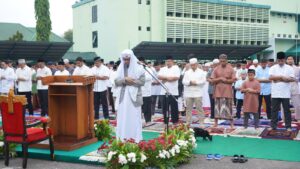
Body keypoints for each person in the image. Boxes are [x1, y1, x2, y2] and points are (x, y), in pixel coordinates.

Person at [115, 49, 145, 143]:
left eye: (128, 59)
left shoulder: (140, 68)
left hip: (134, 98)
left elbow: (142, 82)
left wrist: (131, 81)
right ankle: (123, 137)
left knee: (134, 117)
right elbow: (116, 82)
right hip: (123, 97)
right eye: (124, 59)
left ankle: (135, 138)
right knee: (123, 117)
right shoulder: (120, 68)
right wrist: (124, 79)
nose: (126, 61)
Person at [269, 52, 295, 131]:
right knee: (274, 110)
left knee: (287, 110)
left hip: (285, 93)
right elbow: (270, 77)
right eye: (279, 60)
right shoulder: (273, 68)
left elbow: (292, 79)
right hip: (275, 93)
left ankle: (288, 126)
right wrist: (282, 77)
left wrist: (278, 79)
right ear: (277, 60)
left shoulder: (289, 68)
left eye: (282, 60)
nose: (280, 62)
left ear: (284, 59)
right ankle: (273, 126)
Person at [211, 54, 236, 129]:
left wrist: (227, 80)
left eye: (224, 61)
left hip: (227, 91)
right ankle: (216, 123)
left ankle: (231, 124)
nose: (222, 62)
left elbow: (233, 80)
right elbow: (212, 81)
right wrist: (220, 79)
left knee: (229, 107)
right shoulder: (216, 69)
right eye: (221, 61)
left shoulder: (231, 69)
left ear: (227, 60)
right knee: (217, 108)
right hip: (218, 91)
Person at [182, 58, 206, 127]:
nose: (193, 66)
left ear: (197, 64)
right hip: (188, 93)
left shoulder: (201, 72)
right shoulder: (187, 72)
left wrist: (196, 83)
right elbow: (184, 81)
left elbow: (203, 81)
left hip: (198, 92)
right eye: (191, 65)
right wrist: (190, 82)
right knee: (188, 108)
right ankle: (188, 122)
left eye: (194, 65)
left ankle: (201, 122)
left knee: (199, 108)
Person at [158, 55, 181, 127]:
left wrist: (165, 79)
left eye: (169, 61)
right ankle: (166, 121)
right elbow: (159, 77)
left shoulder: (176, 68)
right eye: (167, 61)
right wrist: (168, 78)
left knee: (174, 107)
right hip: (163, 91)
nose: (168, 62)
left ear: (172, 61)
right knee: (165, 107)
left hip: (173, 92)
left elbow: (176, 77)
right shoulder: (163, 69)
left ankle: (175, 121)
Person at [138, 56, 153, 126]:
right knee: (138, 108)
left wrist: (140, 78)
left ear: (143, 62)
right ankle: (138, 121)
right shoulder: (136, 69)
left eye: (140, 62)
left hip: (146, 92)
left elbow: (149, 77)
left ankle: (148, 121)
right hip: (138, 92)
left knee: (147, 108)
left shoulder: (147, 69)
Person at [286, 56, 300, 121]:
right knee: (284, 105)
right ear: (286, 60)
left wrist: (294, 79)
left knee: (297, 105)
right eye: (288, 59)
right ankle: (285, 118)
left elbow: (298, 79)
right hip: (285, 89)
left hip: (295, 88)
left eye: (291, 59)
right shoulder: (284, 68)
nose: (290, 60)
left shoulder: (298, 68)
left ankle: (298, 118)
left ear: (293, 60)